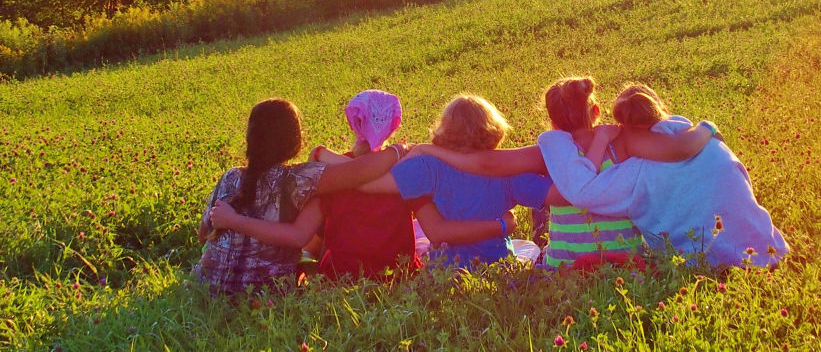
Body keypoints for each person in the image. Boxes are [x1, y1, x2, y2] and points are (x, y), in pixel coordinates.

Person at [406, 77, 717, 269]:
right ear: (596, 112)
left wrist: (431, 150)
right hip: (627, 258)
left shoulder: (548, 153)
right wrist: (706, 128)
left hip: (566, 264)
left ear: (551, 122)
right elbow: (677, 152)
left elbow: (488, 164)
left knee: (540, 223)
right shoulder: (623, 141)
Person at [208, 91, 510, 281]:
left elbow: (204, 233)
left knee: (322, 231)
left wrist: (325, 155)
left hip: (333, 275)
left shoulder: (235, 177)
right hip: (395, 275)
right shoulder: (309, 178)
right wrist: (401, 151)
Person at [538, 83, 789, 268]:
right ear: (661, 110)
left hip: (707, 267)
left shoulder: (635, 174)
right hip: (770, 251)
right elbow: (683, 147)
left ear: (622, 128)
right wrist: (708, 126)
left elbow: (584, 192)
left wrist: (600, 141)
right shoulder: (706, 142)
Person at [194, 98, 405, 294]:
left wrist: (233, 224)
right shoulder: (301, 178)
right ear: (295, 140)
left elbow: (203, 234)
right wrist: (398, 150)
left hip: (206, 288)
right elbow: (360, 172)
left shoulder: (230, 177)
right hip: (267, 296)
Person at [357, 95, 553, 268]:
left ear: (445, 130)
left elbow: (367, 184)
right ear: (493, 129)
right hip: (497, 264)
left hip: (446, 269)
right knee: (529, 248)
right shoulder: (505, 169)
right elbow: (554, 193)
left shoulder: (429, 166)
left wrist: (409, 152)